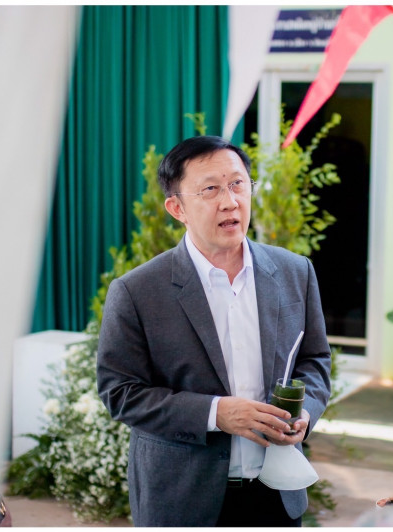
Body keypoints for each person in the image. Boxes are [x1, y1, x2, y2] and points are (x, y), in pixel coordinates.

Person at [96, 135, 332, 527]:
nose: (230, 201)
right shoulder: (137, 291)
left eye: (238, 184)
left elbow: (315, 360)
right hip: (183, 499)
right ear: (177, 208)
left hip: (277, 494)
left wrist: (305, 412)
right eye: (210, 190)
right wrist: (215, 413)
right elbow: (120, 393)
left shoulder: (295, 272)